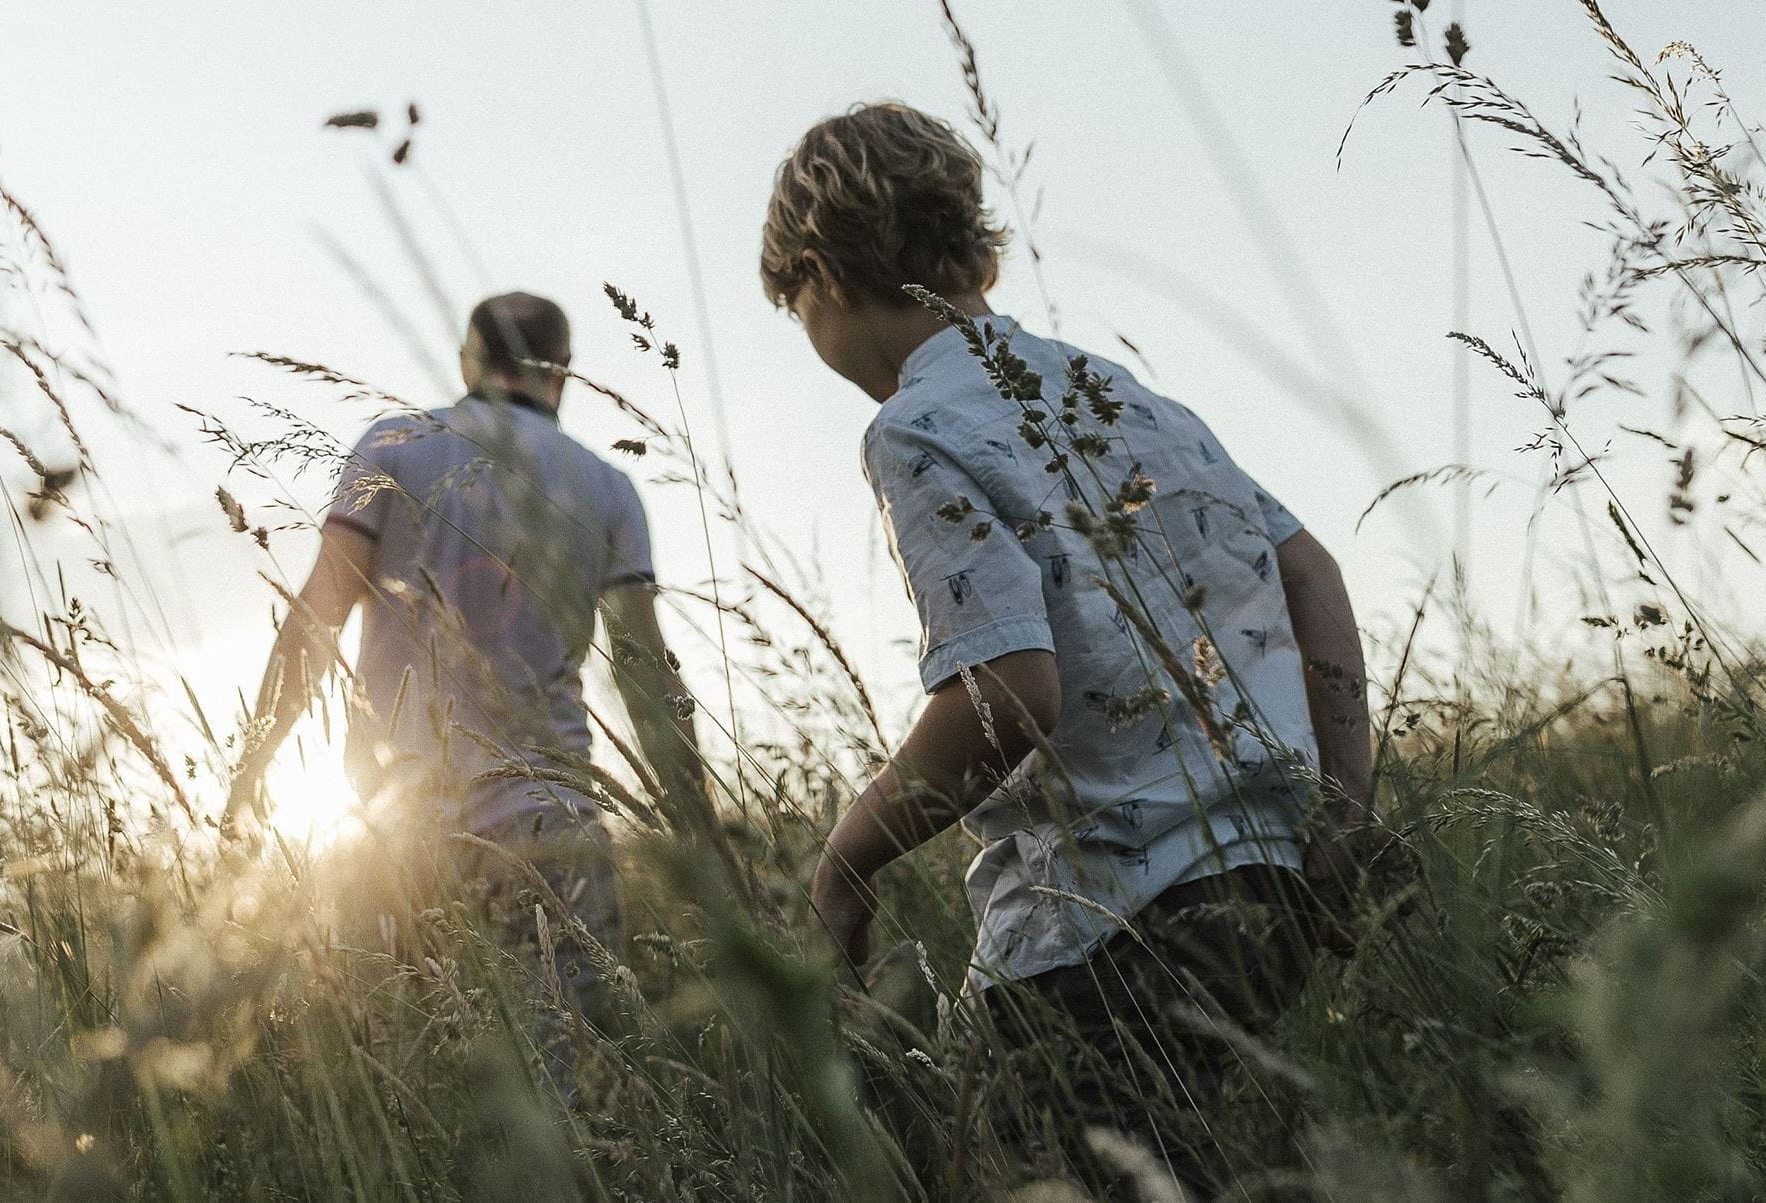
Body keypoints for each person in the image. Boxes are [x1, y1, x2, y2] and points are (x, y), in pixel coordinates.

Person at [761, 103, 1384, 1194]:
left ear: (817, 275)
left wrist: (846, 858)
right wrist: (1342, 812)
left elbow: (1009, 694)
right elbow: (1310, 573)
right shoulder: (1118, 392)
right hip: (1268, 883)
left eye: (799, 313)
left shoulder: (915, 426)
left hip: (1103, 927)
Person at [228, 291, 702, 1094]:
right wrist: (700, 827)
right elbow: (646, 673)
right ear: (564, 373)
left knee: (410, 1091)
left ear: (465, 362)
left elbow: (317, 617)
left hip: (399, 828)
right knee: (561, 1095)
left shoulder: (394, 445)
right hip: (551, 826)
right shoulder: (608, 487)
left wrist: (251, 768)